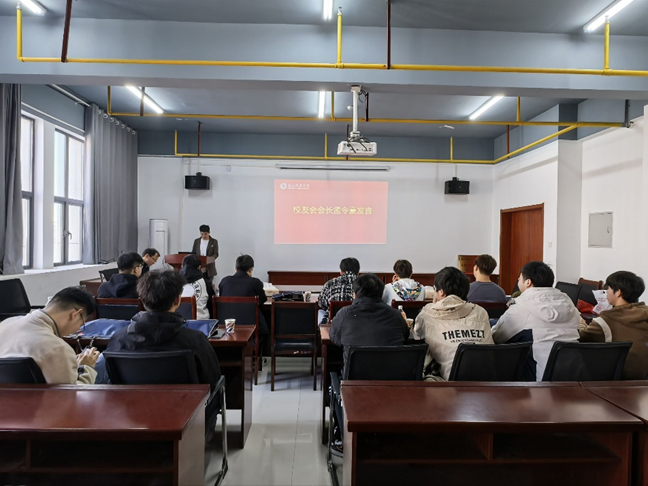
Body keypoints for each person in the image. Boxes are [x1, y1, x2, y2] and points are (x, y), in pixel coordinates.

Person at [106, 270, 221, 391]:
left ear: (142, 300)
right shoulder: (195, 340)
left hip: (132, 402)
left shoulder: (118, 339)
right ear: (177, 300)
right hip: (184, 402)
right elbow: (212, 380)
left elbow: (113, 381)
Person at [491, 261, 580, 381]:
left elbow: (496, 337)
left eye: (519, 278)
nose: (518, 281)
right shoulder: (569, 305)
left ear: (528, 282)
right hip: (575, 376)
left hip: (539, 380)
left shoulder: (521, 308)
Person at [0, 287, 99, 384]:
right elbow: (70, 393)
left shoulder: (5, 324)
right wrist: (86, 367)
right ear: (75, 315)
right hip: (40, 396)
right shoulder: (58, 348)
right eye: (82, 324)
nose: (77, 329)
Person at [413, 267, 492, 381]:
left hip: (451, 384)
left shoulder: (427, 313)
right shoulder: (481, 312)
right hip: (487, 381)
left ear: (441, 292)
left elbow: (417, 336)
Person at [331, 273, 410, 376]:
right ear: (381, 294)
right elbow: (405, 336)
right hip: (390, 378)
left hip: (354, 381)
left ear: (355, 294)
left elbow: (334, 338)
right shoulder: (396, 315)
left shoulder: (344, 314)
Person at [580, 271, 648, 379]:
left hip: (617, 380)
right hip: (643, 380)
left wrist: (581, 324)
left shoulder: (605, 321)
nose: (606, 292)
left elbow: (581, 337)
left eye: (609, 288)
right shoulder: (644, 314)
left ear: (618, 293)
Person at [218, 254, 268, 333]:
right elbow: (263, 300)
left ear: (235, 268)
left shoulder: (224, 281)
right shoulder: (255, 282)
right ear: (250, 270)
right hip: (250, 326)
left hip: (227, 324)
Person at [318, 257, 360, 324]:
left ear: (341, 271)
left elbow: (321, 304)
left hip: (333, 325)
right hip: (357, 325)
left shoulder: (329, 284)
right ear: (358, 273)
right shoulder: (364, 284)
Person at [180, 254, 212, 320]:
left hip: (180, 321)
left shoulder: (175, 282)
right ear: (199, 267)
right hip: (202, 322)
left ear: (182, 266)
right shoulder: (205, 282)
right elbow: (211, 304)